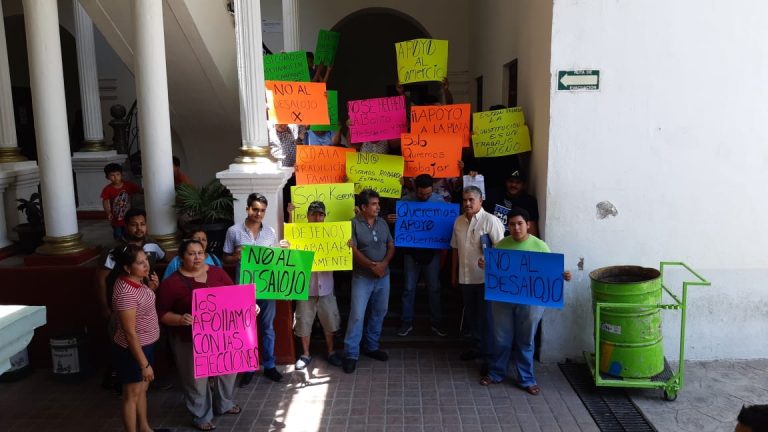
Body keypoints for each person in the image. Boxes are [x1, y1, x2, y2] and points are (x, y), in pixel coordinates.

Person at [157, 239, 250, 431]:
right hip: (187, 339)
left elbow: (234, 295)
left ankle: (224, 403)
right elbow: (162, 313)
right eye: (191, 254)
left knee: (227, 369)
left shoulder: (217, 272)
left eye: (200, 252)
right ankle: (201, 415)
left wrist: (249, 307)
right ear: (182, 257)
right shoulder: (171, 284)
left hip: (222, 334)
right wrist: (180, 319)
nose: (197, 257)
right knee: (195, 379)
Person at [478, 208, 571, 395]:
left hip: (531, 302)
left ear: (528, 225)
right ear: (508, 226)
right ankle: (496, 373)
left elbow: (548, 273)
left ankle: (526, 379)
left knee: (526, 340)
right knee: (501, 338)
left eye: (520, 223)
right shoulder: (501, 245)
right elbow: (494, 269)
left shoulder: (540, 246)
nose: (516, 227)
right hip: (503, 300)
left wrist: (562, 275)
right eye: (512, 224)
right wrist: (485, 265)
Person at [223, 193, 289, 386]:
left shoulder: (270, 232)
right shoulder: (233, 231)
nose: (258, 213)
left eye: (262, 210)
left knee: (268, 328)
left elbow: (274, 259)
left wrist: (283, 251)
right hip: (243, 288)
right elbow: (225, 258)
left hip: (267, 288)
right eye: (255, 209)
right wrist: (236, 256)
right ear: (247, 209)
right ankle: (249, 368)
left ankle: (269, 366)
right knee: (246, 328)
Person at [110, 244, 166, 432]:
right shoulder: (126, 292)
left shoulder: (137, 280)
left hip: (146, 344)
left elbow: (142, 306)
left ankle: (145, 428)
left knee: (142, 390)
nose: (146, 266)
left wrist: (151, 289)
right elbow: (129, 332)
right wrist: (144, 364)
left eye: (146, 260)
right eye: (140, 263)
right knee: (131, 395)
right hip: (133, 350)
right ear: (127, 267)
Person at [341, 189, 395, 374]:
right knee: (357, 315)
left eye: (378, 204)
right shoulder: (353, 224)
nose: (378, 207)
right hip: (362, 277)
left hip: (383, 276)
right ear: (363, 207)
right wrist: (373, 266)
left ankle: (371, 347)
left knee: (380, 311)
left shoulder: (382, 223)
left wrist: (384, 263)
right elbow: (353, 250)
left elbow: (390, 244)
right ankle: (351, 354)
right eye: (374, 204)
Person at [387, 174, 447, 337]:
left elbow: (445, 227)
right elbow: (399, 227)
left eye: (428, 194)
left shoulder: (440, 202)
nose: (425, 197)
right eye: (421, 194)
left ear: (432, 189)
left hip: (431, 252)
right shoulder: (405, 201)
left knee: (434, 288)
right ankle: (406, 322)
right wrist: (393, 221)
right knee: (408, 288)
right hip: (411, 253)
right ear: (415, 188)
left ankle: (437, 322)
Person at [451, 186, 505, 367]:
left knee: (488, 320)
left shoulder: (491, 221)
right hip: (465, 278)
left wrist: (490, 264)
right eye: (465, 200)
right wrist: (453, 274)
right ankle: (477, 349)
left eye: (471, 200)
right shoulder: (458, 222)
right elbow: (455, 249)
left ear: (480, 201)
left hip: (485, 280)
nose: (467, 203)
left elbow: (502, 250)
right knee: (472, 317)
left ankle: (489, 360)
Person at [288, 201, 343, 370]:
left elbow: (341, 254)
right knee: (304, 321)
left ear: (324, 217)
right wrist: (290, 216)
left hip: (326, 286)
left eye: (320, 214)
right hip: (305, 286)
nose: (317, 218)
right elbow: (291, 240)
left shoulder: (332, 234)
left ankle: (331, 351)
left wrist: (346, 247)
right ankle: (305, 354)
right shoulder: (300, 234)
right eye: (313, 214)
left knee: (329, 320)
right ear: (307, 216)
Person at [98, 209, 166, 321]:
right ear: (126, 225)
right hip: (123, 304)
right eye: (134, 225)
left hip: (146, 302)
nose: (139, 228)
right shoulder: (114, 249)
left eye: (142, 224)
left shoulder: (152, 244)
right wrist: (104, 307)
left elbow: (167, 256)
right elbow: (100, 279)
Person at [484, 169, 540, 237]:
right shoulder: (493, 194)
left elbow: (532, 232)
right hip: (491, 238)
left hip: (516, 242)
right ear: (505, 182)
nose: (513, 185)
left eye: (518, 182)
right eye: (511, 181)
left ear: (524, 185)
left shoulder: (529, 202)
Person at [101, 163, 141, 240]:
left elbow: (140, 191)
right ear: (107, 177)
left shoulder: (128, 185)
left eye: (118, 174)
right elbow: (105, 201)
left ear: (121, 174)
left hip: (129, 216)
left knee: (130, 233)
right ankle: (119, 247)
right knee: (118, 234)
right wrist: (108, 212)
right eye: (112, 175)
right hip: (116, 218)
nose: (116, 177)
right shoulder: (107, 189)